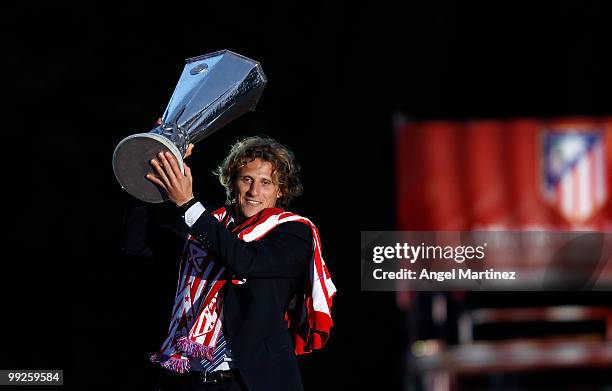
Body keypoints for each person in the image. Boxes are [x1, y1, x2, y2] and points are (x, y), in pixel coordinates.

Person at [139, 136, 335, 391]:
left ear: (281, 190)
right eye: (247, 180)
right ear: (232, 182)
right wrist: (155, 159)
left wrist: (188, 204)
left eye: (266, 183)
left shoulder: (294, 232)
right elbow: (139, 242)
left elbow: (245, 261)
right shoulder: (207, 223)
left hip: (249, 382)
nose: (254, 192)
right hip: (187, 380)